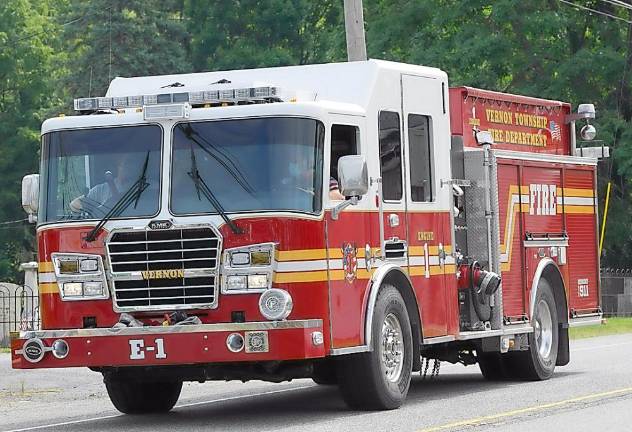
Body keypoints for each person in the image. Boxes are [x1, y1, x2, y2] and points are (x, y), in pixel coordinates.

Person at [70, 155, 137, 214]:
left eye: (134, 164)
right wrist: (97, 211)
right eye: (127, 163)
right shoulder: (100, 190)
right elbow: (74, 204)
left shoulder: (140, 189)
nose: (130, 167)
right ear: (118, 166)